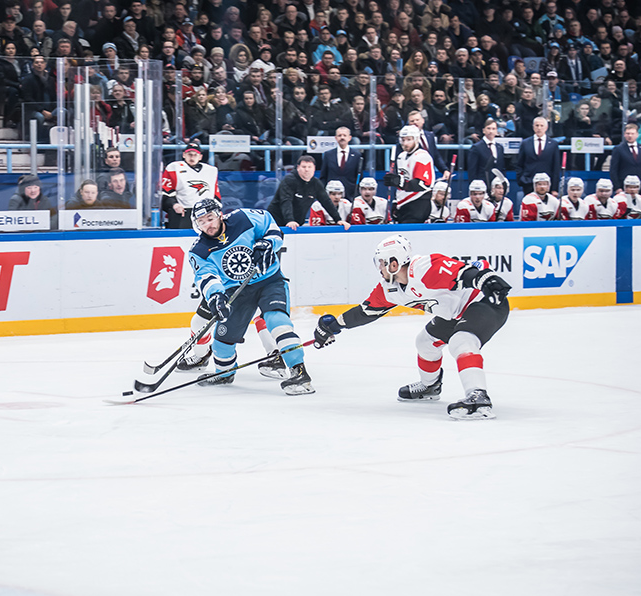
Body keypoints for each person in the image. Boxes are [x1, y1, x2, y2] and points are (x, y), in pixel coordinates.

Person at [313, 234, 511, 419]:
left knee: (461, 341)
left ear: (394, 263)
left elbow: (465, 273)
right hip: (454, 313)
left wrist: (488, 280)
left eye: (382, 262)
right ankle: (430, 386)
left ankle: (478, 396)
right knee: (425, 342)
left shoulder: (424, 268)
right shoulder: (390, 288)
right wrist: (334, 326)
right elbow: (365, 312)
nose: (379, 267)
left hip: (485, 302)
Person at [188, 199, 314, 395]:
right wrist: (216, 297)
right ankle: (224, 373)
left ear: (219, 214)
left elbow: (273, 229)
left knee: (276, 320)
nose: (208, 225)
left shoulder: (243, 218)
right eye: (202, 222)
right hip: (236, 292)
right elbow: (206, 276)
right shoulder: (199, 250)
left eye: (210, 218)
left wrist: (267, 242)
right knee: (222, 341)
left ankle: (299, 373)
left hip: (269, 281)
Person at [268, 154, 343, 229]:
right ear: (298, 168)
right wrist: (290, 220)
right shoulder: (289, 180)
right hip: (276, 221)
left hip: (297, 224)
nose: (307, 169)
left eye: (309, 167)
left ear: (314, 168)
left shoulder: (316, 183)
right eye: (304, 167)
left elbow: (326, 202)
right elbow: (286, 201)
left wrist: (338, 219)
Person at [160, 141, 220, 229]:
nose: (192, 157)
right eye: (189, 154)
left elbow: (215, 193)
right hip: (183, 212)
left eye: (195, 155)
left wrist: (218, 210)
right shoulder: (174, 168)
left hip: (206, 214)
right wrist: (174, 204)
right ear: (184, 155)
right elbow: (166, 192)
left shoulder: (211, 170)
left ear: (200, 157)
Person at [384, 125, 435, 223]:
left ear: (416, 139)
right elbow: (401, 183)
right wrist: (396, 202)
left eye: (409, 140)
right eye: (403, 140)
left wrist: (399, 182)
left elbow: (423, 184)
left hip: (418, 204)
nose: (405, 143)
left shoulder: (422, 156)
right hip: (403, 204)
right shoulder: (401, 156)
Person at [516, 117, 561, 197]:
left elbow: (556, 167)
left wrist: (555, 188)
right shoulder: (525, 143)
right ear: (533, 127)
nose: (539, 128)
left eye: (541, 125)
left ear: (546, 127)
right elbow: (520, 164)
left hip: (547, 185)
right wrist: (521, 180)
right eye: (537, 125)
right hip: (528, 183)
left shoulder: (553, 144)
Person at [609, 124, 641, 195]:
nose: (630, 136)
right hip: (624, 187)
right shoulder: (618, 149)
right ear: (624, 135)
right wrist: (617, 187)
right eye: (628, 133)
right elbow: (613, 170)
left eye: (632, 134)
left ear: (637, 135)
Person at [320, 126, 363, 198]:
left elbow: (359, 177)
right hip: (332, 196)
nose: (342, 137)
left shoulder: (356, 155)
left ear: (349, 138)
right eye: (339, 135)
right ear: (336, 138)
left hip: (350, 195)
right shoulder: (328, 155)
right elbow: (323, 176)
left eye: (344, 135)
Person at [467, 119, 505, 189]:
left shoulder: (500, 148)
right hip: (481, 187)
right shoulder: (476, 148)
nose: (491, 131)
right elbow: (472, 171)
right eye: (488, 128)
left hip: (497, 187)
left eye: (493, 129)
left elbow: (501, 168)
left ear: (496, 131)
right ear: (484, 130)